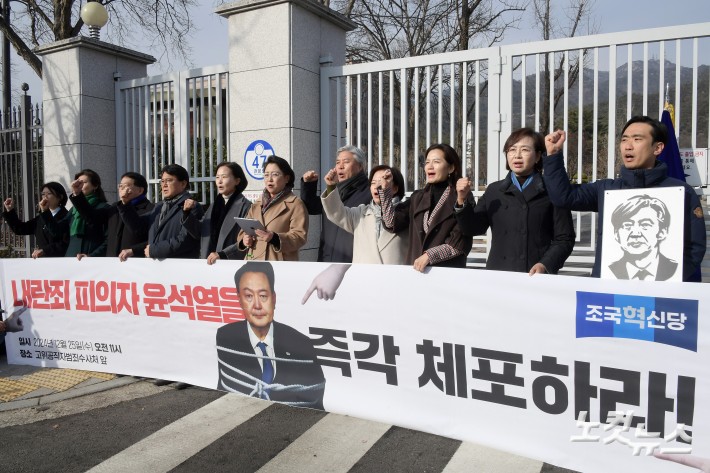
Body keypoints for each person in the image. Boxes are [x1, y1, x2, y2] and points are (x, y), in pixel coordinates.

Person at [543, 115, 706, 281]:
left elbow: (694, 246)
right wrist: (553, 155)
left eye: (637, 139)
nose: (628, 146)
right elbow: (563, 197)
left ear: (657, 148)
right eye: (624, 140)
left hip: (661, 295)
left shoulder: (680, 192)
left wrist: (667, 279)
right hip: (608, 292)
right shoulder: (607, 189)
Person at [454, 128, 575, 275]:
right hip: (499, 273)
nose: (517, 155)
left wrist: (545, 264)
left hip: (536, 274)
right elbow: (473, 228)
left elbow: (564, 238)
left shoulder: (552, 190)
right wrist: (461, 199)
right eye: (511, 150)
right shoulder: (494, 190)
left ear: (537, 156)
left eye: (524, 150)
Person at [215, 261, 326, 409]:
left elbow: (315, 399)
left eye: (263, 295)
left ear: (273, 299)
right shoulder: (226, 337)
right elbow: (225, 387)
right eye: (248, 296)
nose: (257, 305)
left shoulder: (301, 343)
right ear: (239, 300)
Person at [379, 143, 473, 271]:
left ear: (451, 168)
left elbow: (460, 241)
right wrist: (386, 192)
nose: (430, 166)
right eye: (427, 162)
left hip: (446, 273)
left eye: (436, 162)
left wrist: (429, 255)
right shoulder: (418, 197)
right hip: (416, 273)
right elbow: (391, 224)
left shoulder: (461, 195)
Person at [321, 164, 409, 265]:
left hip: (394, 278)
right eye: (373, 183)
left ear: (395, 188)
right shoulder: (360, 213)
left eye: (382, 181)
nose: (377, 186)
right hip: (362, 277)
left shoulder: (406, 214)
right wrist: (331, 186)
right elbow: (336, 212)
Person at [301, 145, 371, 263]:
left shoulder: (369, 192)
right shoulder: (335, 190)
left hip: (354, 261)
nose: (340, 166)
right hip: (327, 258)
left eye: (346, 162)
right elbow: (311, 207)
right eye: (337, 162)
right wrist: (309, 185)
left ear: (360, 166)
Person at [123, 164, 203, 261]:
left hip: (179, 267)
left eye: (169, 180)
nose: (164, 185)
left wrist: (154, 250)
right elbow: (138, 227)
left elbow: (185, 240)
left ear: (183, 183)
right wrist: (126, 204)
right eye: (162, 181)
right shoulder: (159, 207)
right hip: (156, 267)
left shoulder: (192, 206)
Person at [237, 155, 308, 261]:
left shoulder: (295, 204)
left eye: (275, 174)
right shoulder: (257, 203)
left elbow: (299, 236)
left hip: (279, 265)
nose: (269, 179)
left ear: (286, 178)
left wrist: (275, 238)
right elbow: (243, 231)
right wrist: (244, 240)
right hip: (254, 264)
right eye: (266, 175)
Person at [70, 172, 154, 259]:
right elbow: (92, 217)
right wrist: (77, 194)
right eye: (120, 185)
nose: (122, 188)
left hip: (136, 264)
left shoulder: (151, 209)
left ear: (140, 190)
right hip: (112, 264)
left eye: (126, 185)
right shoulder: (115, 207)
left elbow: (151, 239)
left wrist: (133, 250)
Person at [182, 161, 251, 264]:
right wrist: (187, 213)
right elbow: (201, 232)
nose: (220, 181)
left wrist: (223, 254)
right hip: (209, 262)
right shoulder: (215, 205)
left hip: (230, 264)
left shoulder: (245, 206)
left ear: (237, 181)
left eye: (224, 177)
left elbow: (246, 241)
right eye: (217, 177)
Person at [608, 194, 678, 281]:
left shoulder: (675, 270)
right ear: (616, 233)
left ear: (662, 232)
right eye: (627, 225)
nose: (635, 233)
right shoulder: (608, 271)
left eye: (645, 225)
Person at [2, 182, 69, 258]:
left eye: (49, 194)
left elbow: (65, 242)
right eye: (43, 194)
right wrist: (10, 210)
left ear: (60, 197)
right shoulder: (40, 218)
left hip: (60, 262)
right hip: (42, 262)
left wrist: (44, 250)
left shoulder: (67, 216)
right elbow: (20, 229)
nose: (45, 197)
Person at [61, 169, 110, 258]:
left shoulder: (104, 208)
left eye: (83, 183)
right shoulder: (73, 210)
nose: (79, 186)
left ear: (95, 186)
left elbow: (89, 215)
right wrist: (45, 212)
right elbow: (57, 230)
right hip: (71, 258)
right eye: (78, 183)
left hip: (89, 257)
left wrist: (92, 256)